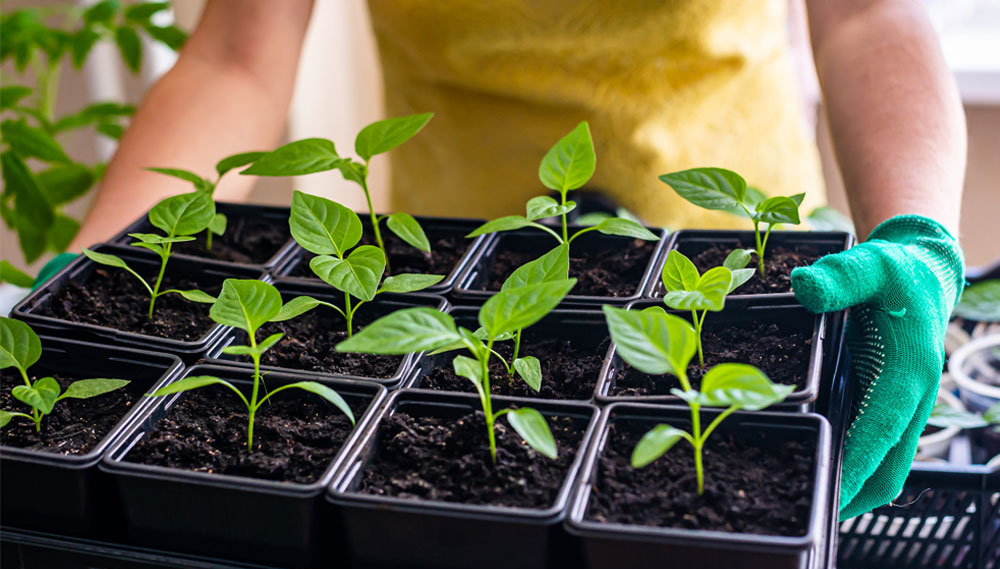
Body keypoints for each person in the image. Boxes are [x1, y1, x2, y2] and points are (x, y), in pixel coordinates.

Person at [67, 0, 966, 520]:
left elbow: (868, 13)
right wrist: (97, 268)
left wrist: (921, 233)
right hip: (456, 267)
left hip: (734, 258)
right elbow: (236, 57)